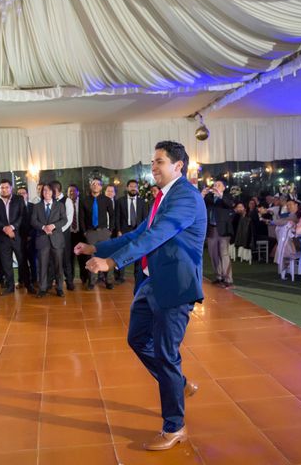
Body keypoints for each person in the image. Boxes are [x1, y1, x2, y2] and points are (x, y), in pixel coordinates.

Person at [76, 141, 206, 451]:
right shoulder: (162, 197)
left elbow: (156, 236)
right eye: (153, 161)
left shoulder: (186, 198)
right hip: (150, 282)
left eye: (159, 161)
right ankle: (180, 384)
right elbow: (138, 234)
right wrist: (98, 248)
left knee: (166, 354)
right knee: (137, 340)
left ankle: (175, 427)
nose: (154, 167)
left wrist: (112, 263)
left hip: (174, 287)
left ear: (178, 166)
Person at [0, 178, 35, 295]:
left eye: (6, 187)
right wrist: (5, 228)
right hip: (2, 238)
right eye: (2, 188)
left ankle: (28, 285)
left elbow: (22, 216)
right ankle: (9, 287)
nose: (4, 190)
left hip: (17, 236)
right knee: (6, 263)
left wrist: (13, 227)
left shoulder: (19, 199)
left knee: (22, 262)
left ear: (11, 188)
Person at [31, 183, 67, 297]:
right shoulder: (37, 206)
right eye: (45, 191)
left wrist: (53, 226)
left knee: (58, 266)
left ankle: (59, 288)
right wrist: (43, 227)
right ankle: (42, 288)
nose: (47, 193)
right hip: (42, 240)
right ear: (42, 193)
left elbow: (64, 220)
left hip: (56, 240)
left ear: (53, 192)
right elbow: (33, 221)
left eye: (50, 191)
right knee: (42, 266)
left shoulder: (60, 205)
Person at [79, 178, 115, 290]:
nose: (95, 185)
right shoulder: (84, 200)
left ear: (101, 187)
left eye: (98, 184)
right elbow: (81, 218)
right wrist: (85, 231)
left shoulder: (107, 200)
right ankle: (92, 281)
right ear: (90, 186)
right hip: (91, 233)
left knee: (107, 256)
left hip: (104, 232)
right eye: (93, 184)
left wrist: (110, 230)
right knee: (91, 257)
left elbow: (113, 215)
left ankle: (109, 281)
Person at [202, 180, 234, 288]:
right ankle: (219, 276)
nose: (215, 186)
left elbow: (229, 205)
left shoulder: (227, 197)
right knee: (213, 254)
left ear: (224, 188)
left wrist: (220, 195)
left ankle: (228, 279)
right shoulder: (209, 198)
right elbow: (199, 204)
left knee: (224, 254)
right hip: (211, 229)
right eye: (214, 185)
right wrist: (203, 194)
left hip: (223, 230)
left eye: (218, 185)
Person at [115, 179, 148, 283]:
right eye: (131, 186)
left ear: (137, 189)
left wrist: (144, 231)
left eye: (135, 186)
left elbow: (145, 218)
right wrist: (119, 230)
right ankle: (120, 277)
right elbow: (117, 217)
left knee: (138, 254)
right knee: (123, 254)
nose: (133, 188)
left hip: (138, 231)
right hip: (124, 231)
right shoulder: (120, 201)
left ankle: (137, 276)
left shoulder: (142, 202)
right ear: (127, 188)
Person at [68, 184, 87, 285]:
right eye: (70, 191)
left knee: (82, 257)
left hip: (81, 234)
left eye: (73, 191)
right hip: (69, 235)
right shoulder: (65, 203)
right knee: (70, 258)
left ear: (78, 192)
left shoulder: (83, 202)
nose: (71, 193)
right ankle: (70, 280)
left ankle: (84, 278)